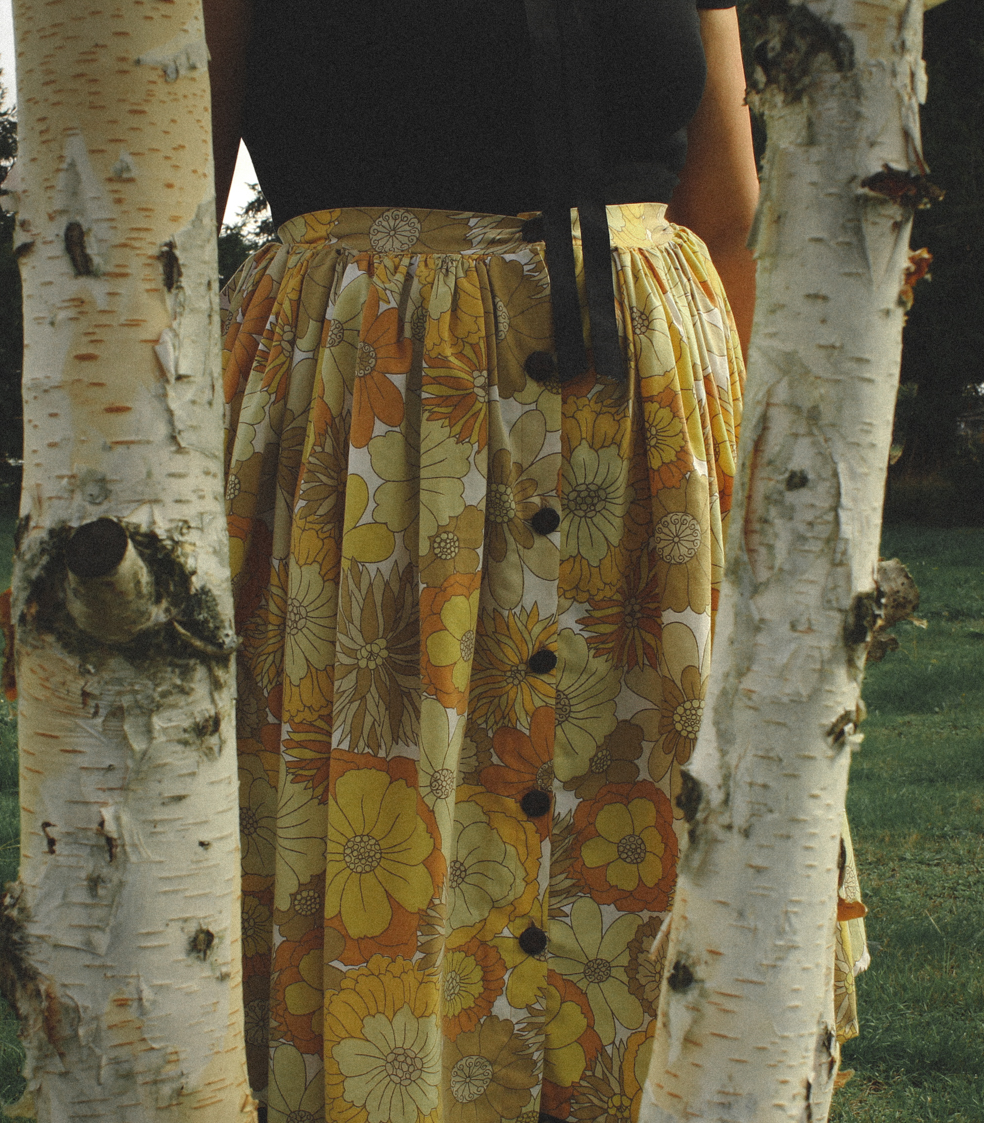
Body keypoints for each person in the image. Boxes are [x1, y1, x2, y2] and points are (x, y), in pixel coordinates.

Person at [206, 2, 758, 1120]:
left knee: (644, 845)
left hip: (645, 459)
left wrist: (762, 498)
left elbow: (726, 209)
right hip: (366, 445)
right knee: (385, 845)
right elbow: (147, 232)